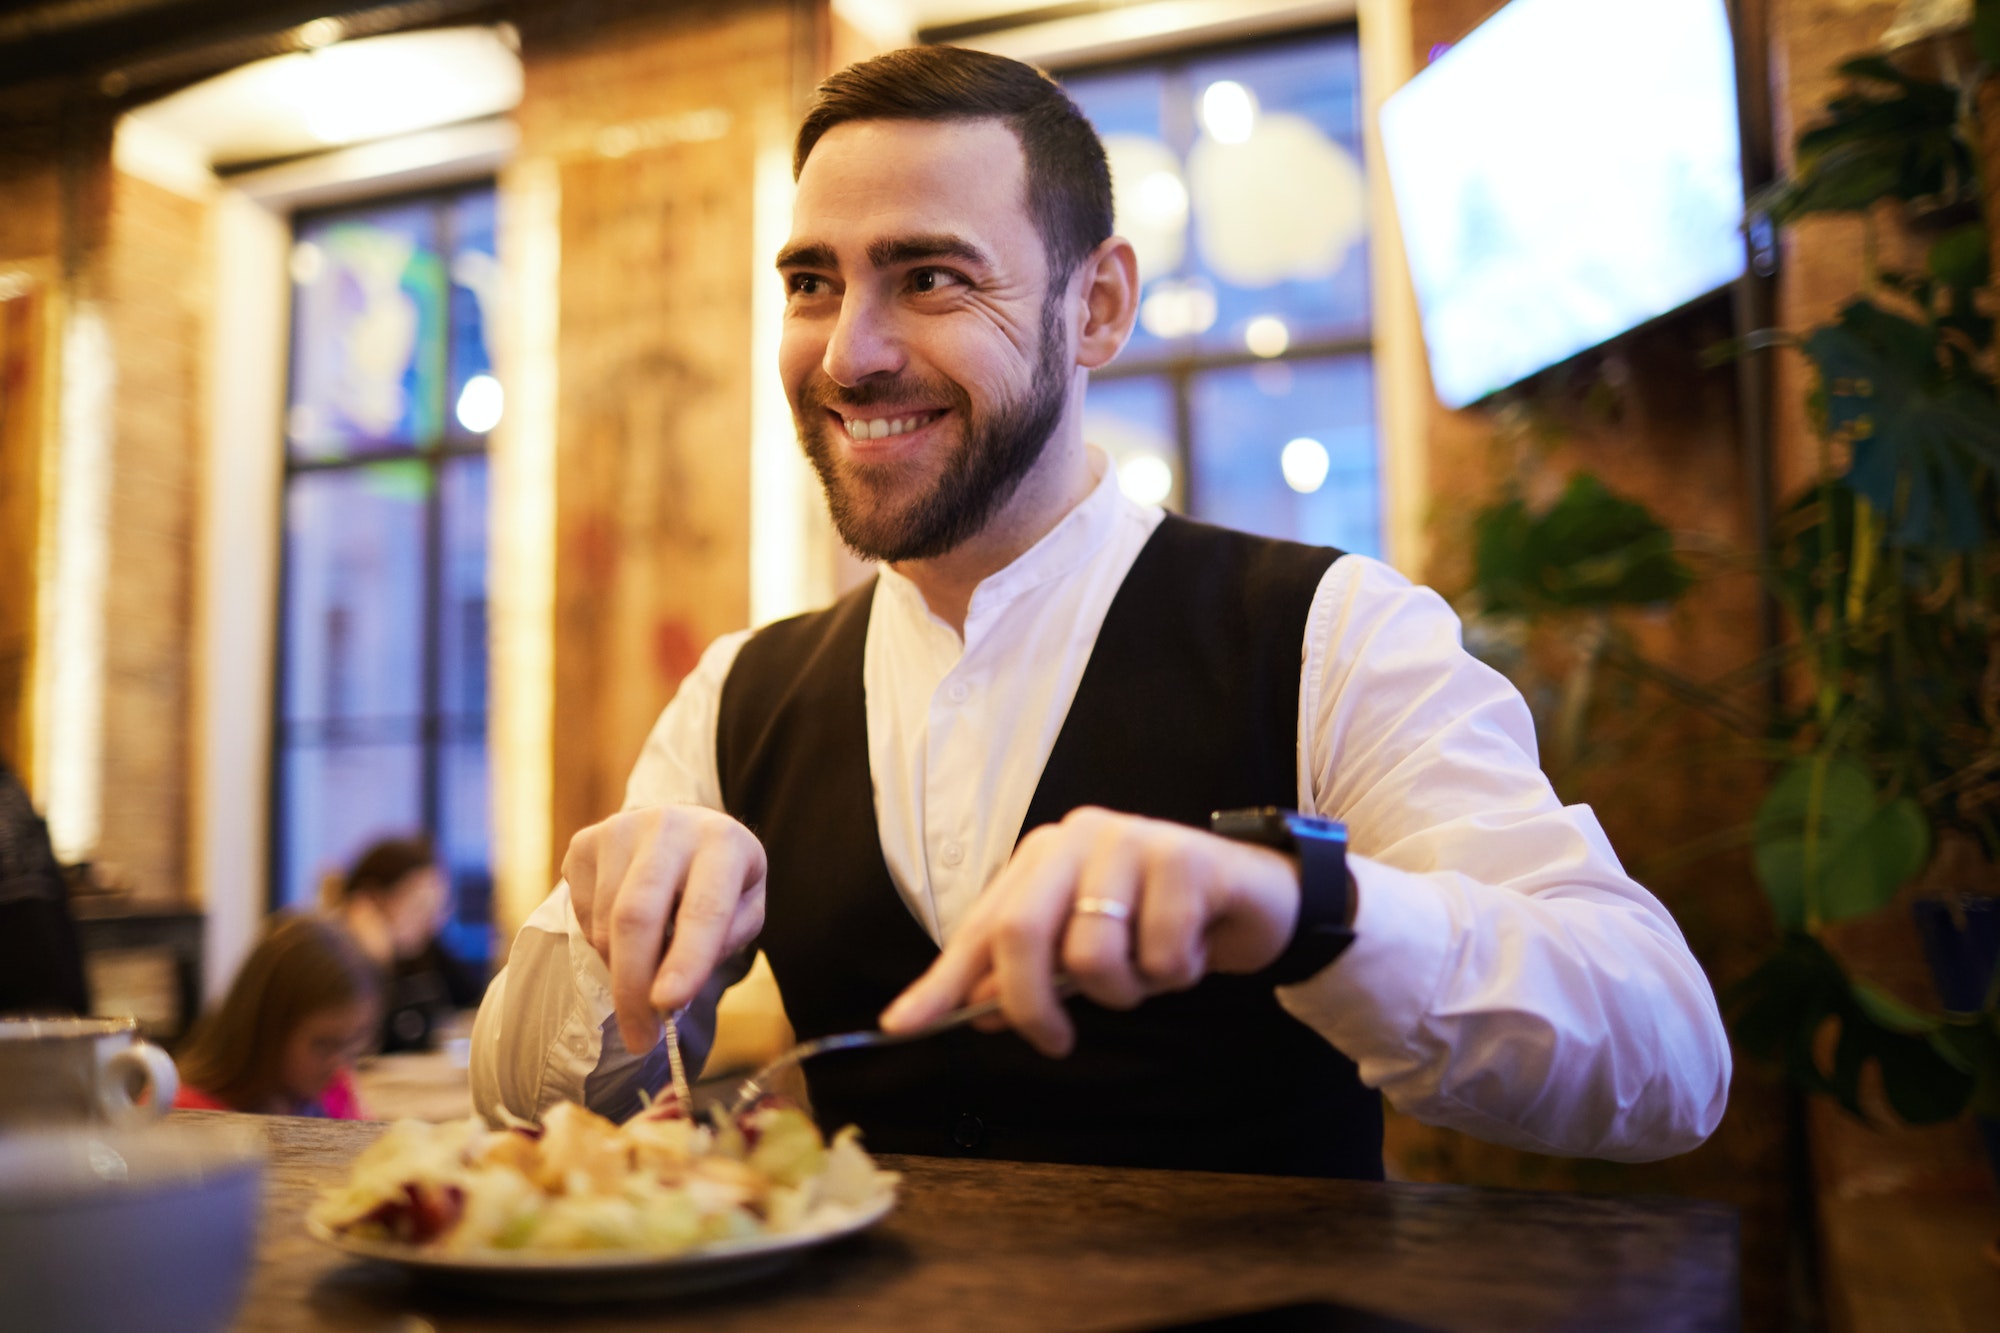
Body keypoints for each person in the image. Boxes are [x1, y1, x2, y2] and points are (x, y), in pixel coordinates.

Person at [471, 46, 1732, 1177]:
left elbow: (1665, 1059)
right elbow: (525, 1103)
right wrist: (607, 943)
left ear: (1100, 306)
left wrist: (1305, 907)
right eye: (812, 281)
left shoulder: (1330, 634)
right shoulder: (737, 694)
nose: (848, 353)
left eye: (928, 277)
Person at [175, 914, 379, 1118]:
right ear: (266, 1031)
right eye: (323, 1045)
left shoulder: (332, 1091)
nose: (339, 1066)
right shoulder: (185, 1113)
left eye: (351, 1044)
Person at [334, 837, 486, 1053]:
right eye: (419, 907)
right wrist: (374, 960)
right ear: (372, 901)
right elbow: (356, 1044)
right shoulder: (337, 961)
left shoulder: (428, 950)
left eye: (437, 908)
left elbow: (477, 1005)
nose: (432, 924)